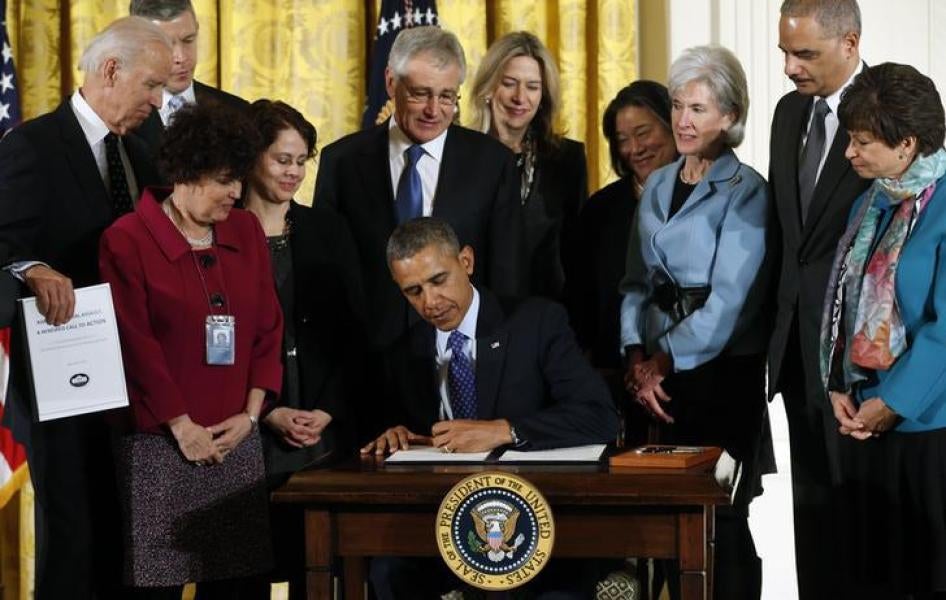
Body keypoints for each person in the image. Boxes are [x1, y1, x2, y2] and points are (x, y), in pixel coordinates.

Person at [0, 16, 170, 600]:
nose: (158, 99)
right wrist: (31, 268)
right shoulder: (33, 145)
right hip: (62, 384)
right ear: (111, 69)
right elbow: (2, 246)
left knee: (128, 546)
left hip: (136, 382)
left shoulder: (143, 155)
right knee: (74, 542)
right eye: (151, 85)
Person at [362, 217, 619, 599]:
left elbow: (600, 416)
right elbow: (403, 429)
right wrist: (394, 431)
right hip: (448, 525)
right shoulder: (405, 351)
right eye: (413, 291)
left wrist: (506, 430)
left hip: (541, 520)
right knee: (387, 569)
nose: (430, 303)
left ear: (466, 261)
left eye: (438, 281)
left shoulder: (537, 322)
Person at [99, 103, 282, 598]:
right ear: (186, 173)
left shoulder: (245, 230)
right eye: (225, 180)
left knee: (241, 586)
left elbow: (268, 325)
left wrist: (251, 414)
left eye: (238, 179)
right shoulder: (126, 240)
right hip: (161, 445)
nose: (237, 192)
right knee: (157, 585)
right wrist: (181, 427)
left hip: (235, 439)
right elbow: (135, 346)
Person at [619, 45, 769, 600]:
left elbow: (731, 302)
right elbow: (635, 280)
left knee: (722, 518)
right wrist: (636, 355)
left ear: (729, 117)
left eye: (699, 109)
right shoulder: (658, 183)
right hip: (654, 374)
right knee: (663, 517)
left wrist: (661, 364)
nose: (683, 120)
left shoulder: (747, 191)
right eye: (679, 106)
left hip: (722, 370)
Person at [313, 26, 523, 352]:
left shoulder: (493, 163)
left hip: (462, 353)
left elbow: (505, 274)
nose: (434, 110)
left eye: (447, 96)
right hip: (364, 357)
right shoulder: (341, 161)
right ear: (391, 83)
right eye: (420, 93)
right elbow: (326, 273)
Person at [820, 63, 946, 599]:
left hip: (930, 428)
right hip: (864, 424)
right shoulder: (867, 202)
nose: (849, 153)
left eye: (862, 141)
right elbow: (839, 304)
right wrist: (837, 386)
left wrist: (893, 402)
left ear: (908, 143)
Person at [242, 99, 366, 598]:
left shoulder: (328, 229)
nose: (294, 172)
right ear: (251, 156)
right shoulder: (218, 231)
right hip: (247, 428)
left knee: (312, 570)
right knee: (242, 573)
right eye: (281, 159)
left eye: (302, 160)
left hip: (320, 429)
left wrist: (328, 409)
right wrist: (267, 411)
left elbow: (355, 334)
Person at [767, 1, 869, 596]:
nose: (789, 67)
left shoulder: (889, 109)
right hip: (798, 353)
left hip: (863, 361)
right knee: (814, 523)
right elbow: (790, 242)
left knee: (865, 529)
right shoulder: (787, 114)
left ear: (849, 44)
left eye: (804, 53)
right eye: (784, 50)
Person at [570, 80, 677, 446]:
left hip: (693, 376)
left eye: (643, 133)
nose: (634, 149)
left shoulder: (712, 193)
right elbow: (583, 300)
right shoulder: (600, 209)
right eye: (622, 139)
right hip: (616, 380)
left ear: (672, 123)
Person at [469, 31, 586, 301]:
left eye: (532, 87)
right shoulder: (461, 154)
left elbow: (577, 253)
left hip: (546, 315)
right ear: (489, 87)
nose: (520, 97)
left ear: (543, 95)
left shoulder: (567, 159)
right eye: (510, 83)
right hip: (476, 314)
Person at [130, 0, 249, 157]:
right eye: (167, 45)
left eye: (188, 40)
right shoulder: (122, 119)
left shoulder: (240, 113)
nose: (181, 57)